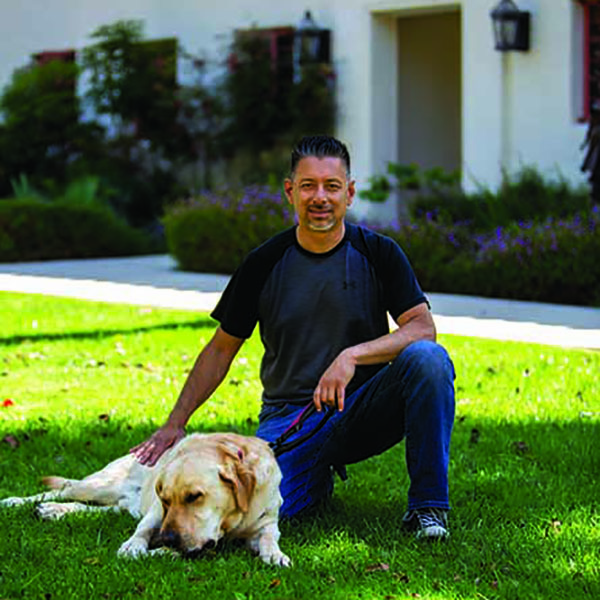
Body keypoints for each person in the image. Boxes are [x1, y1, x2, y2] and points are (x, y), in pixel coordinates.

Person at [131, 135, 456, 539]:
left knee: (428, 359)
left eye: (332, 186)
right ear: (290, 191)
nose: (320, 197)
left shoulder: (379, 253)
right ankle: (314, 477)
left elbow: (423, 329)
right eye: (308, 186)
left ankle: (428, 511)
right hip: (291, 419)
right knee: (250, 517)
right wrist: (174, 424)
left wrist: (352, 356)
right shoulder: (263, 263)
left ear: (349, 193)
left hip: (362, 409)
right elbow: (221, 349)